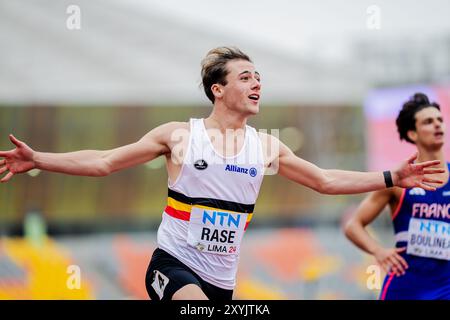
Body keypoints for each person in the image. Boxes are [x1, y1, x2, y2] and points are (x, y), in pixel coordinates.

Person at [0, 47, 444, 301]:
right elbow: (104, 162)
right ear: (218, 89)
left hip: (222, 282)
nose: (257, 84)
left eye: (259, 78)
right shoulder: (178, 136)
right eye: (246, 77)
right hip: (172, 266)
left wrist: (392, 177)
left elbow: (326, 180)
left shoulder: (266, 145)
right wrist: (39, 159)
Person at [344, 93, 450, 300]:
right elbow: (353, 226)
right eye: (428, 121)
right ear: (412, 134)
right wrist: (378, 251)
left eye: (440, 120)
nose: (438, 125)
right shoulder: (398, 182)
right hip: (406, 286)